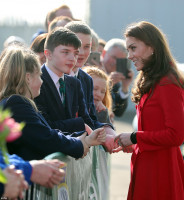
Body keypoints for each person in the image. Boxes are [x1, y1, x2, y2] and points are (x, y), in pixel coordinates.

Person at [115, 21, 184, 200]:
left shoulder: (167, 82)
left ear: (152, 47)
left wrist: (134, 137)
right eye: (128, 50)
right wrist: (136, 143)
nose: (130, 55)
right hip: (148, 167)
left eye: (133, 48)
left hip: (161, 172)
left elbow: (176, 135)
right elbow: (153, 129)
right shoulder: (153, 80)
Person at [0, 45, 106, 161]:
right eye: (39, 75)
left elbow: (48, 132)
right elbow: (46, 138)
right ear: (28, 78)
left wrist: (86, 139)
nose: (42, 81)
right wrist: (79, 144)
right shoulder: (17, 104)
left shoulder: (16, 103)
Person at [65, 21, 118, 153]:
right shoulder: (52, 76)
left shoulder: (87, 80)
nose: (82, 52)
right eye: (77, 46)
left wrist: (110, 134)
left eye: (87, 46)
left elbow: (91, 119)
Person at [34, 27, 94, 133]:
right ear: (48, 54)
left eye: (75, 53)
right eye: (65, 52)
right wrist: (78, 124)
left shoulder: (74, 83)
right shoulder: (36, 81)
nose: (72, 58)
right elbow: (45, 126)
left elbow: (87, 121)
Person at [83, 66, 113, 199]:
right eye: (94, 89)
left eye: (102, 91)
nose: (98, 94)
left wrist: (102, 114)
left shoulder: (103, 111)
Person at [102, 38, 134, 117]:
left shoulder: (115, 80)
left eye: (120, 60)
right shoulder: (90, 70)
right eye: (114, 57)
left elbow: (119, 112)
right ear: (104, 53)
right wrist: (107, 83)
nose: (115, 62)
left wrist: (125, 87)